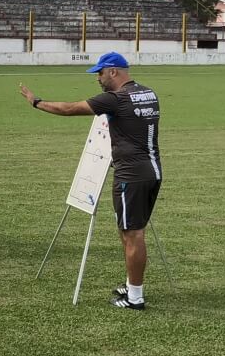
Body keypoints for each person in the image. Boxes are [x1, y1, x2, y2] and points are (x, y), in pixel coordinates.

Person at [19, 51, 162, 310]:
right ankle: (132, 285)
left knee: (133, 233)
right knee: (129, 230)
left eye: (100, 73)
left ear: (114, 71)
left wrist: (36, 101)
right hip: (151, 170)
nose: (97, 78)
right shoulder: (148, 93)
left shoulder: (115, 99)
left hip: (130, 175)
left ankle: (135, 297)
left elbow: (70, 108)